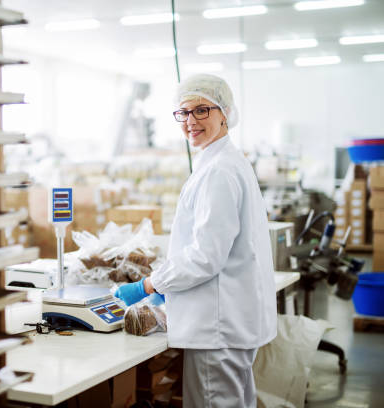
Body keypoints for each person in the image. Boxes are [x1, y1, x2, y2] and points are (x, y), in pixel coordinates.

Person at [114, 74, 277, 407]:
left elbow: (205, 256)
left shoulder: (219, 171)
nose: (190, 121)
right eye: (183, 113)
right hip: (229, 322)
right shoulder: (223, 162)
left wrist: (150, 285)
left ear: (224, 113)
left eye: (201, 110)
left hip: (217, 327)